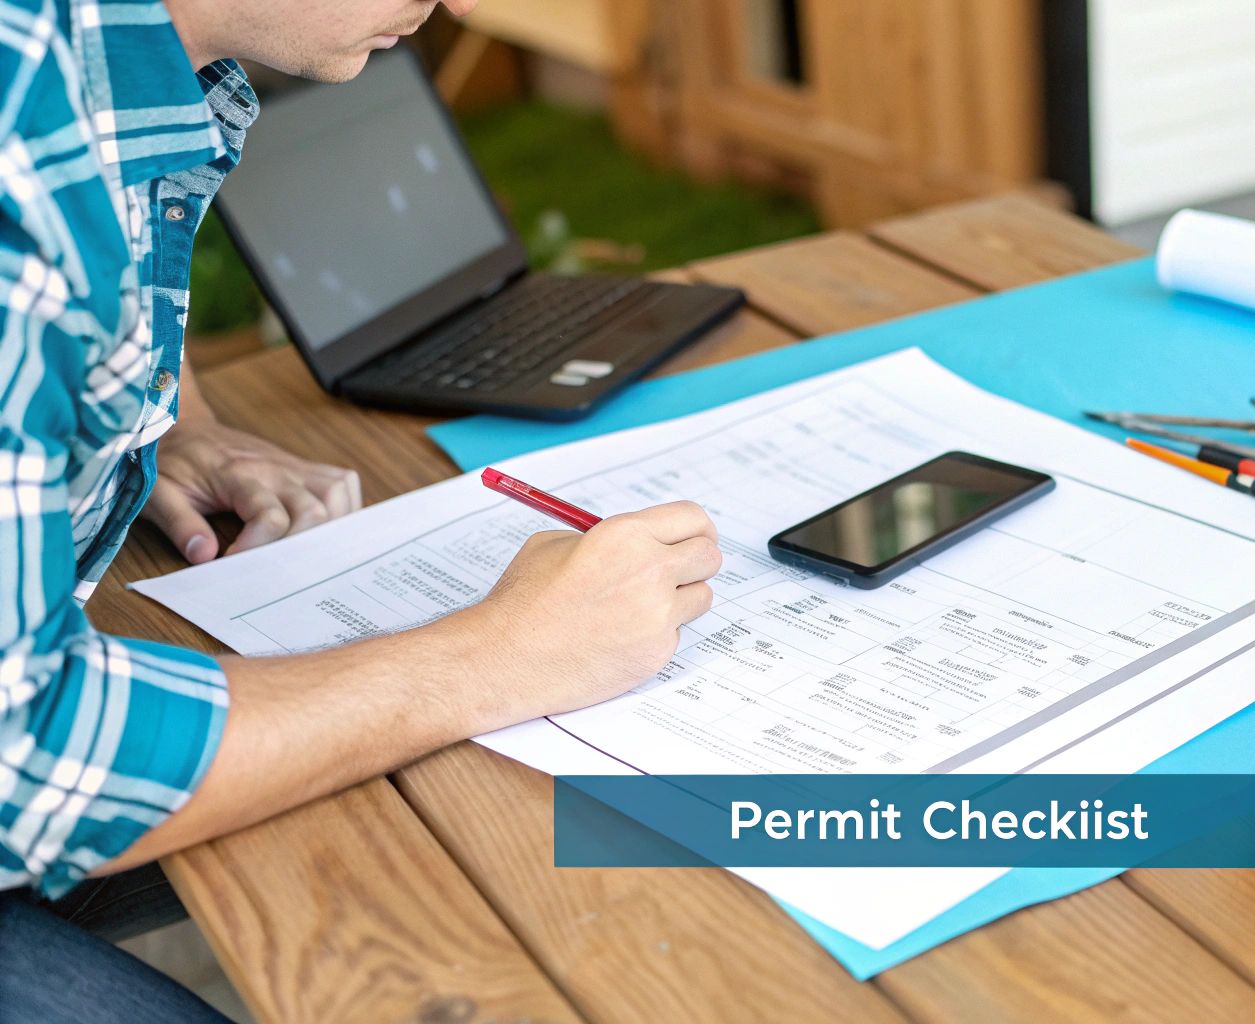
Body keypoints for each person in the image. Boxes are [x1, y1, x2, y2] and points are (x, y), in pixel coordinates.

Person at [0, 1, 722, 1018]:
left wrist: (153, 413)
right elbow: (24, 751)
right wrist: (497, 653)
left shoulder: (110, 58)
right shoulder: (15, 137)